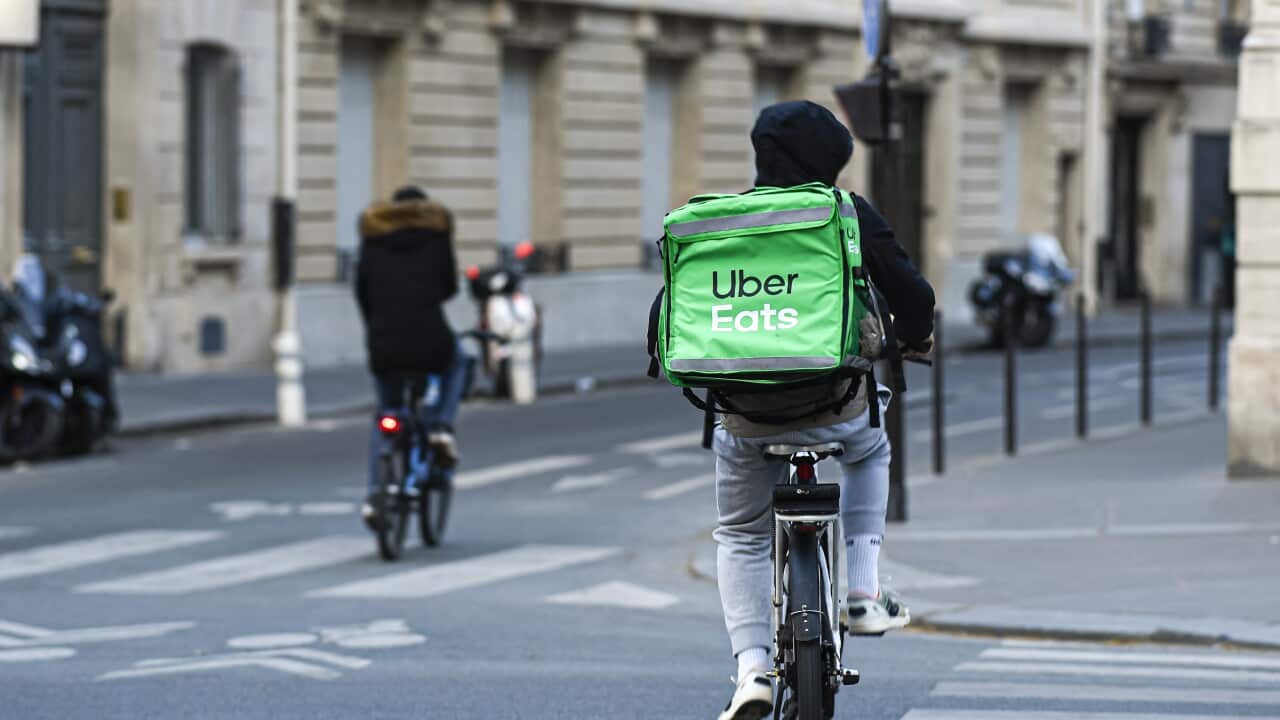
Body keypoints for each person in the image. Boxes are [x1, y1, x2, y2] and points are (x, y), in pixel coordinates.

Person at [665, 102, 937, 720]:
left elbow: (670, 314)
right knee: (873, 449)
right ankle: (863, 593)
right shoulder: (845, 213)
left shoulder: (718, 222)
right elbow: (913, 295)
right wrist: (913, 336)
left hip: (743, 416)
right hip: (836, 404)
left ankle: (752, 670)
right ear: (831, 161)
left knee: (740, 532)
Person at [355, 186, 466, 517]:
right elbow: (449, 288)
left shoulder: (373, 239)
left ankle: (376, 493)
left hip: (383, 343)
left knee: (386, 412)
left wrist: (377, 324)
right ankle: (441, 428)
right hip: (429, 339)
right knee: (459, 362)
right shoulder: (435, 235)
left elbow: (362, 292)